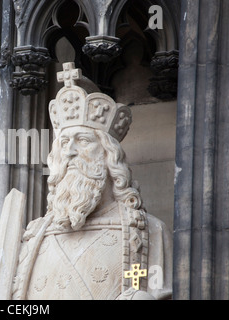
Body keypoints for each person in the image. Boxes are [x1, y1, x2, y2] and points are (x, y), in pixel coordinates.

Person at [10, 63, 172, 300]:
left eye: (83, 140)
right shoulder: (34, 237)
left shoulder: (146, 232)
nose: (71, 152)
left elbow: (141, 284)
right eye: (64, 143)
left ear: (109, 155)